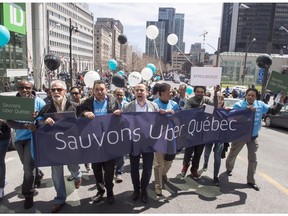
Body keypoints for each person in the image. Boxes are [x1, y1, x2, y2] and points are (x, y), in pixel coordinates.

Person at [226, 88, 285, 191]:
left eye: (253, 95)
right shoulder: (239, 105)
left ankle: (251, 180)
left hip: (253, 137)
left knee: (253, 160)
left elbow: (273, 111)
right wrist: (246, 110)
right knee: (232, 154)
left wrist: (280, 102)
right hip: (240, 136)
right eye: (249, 95)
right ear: (246, 95)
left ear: (256, 97)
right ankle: (228, 169)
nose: (250, 97)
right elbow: (233, 117)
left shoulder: (260, 105)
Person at [37, 80, 82, 213]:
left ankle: (77, 175)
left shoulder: (74, 106)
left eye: (59, 89)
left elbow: (83, 121)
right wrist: (43, 121)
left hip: (71, 145)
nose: (56, 92)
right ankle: (60, 199)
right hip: (54, 147)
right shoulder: (46, 108)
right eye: (53, 90)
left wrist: (86, 115)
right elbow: (38, 122)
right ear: (50, 92)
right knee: (57, 173)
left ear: (65, 91)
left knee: (73, 166)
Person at [114, 83, 159, 203]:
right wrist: (118, 114)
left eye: (142, 90)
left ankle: (144, 189)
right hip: (133, 143)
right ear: (134, 93)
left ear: (147, 92)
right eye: (137, 90)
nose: (139, 92)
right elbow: (121, 121)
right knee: (134, 169)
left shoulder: (154, 106)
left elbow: (159, 121)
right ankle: (136, 190)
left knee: (148, 169)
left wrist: (167, 113)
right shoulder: (128, 107)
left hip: (149, 143)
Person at [6, 80, 46, 209]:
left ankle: (28, 195)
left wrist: (36, 120)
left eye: (27, 88)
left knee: (27, 168)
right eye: (21, 88)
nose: (24, 90)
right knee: (27, 165)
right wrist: (25, 126)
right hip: (18, 140)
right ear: (18, 89)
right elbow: (10, 122)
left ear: (31, 88)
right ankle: (38, 174)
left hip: (33, 138)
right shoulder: (13, 103)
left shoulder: (39, 102)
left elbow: (46, 119)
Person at [78, 80, 119, 204]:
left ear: (106, 89)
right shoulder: (87, 102)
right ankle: (100, 192)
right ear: (93, 91)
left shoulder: (113, 101)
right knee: (97, 170)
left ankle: (110, 192)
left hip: (109, 142)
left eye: (102, 89)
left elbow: (120, 118)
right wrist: (85, 113)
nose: (100, 92)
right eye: (97, 90)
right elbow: (78, 115)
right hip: (93, 142)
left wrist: (119, 113)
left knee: (109, 170)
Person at [180, 85, 219, 179]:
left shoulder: (207, 100)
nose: (200, 94)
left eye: (202, 92)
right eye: (198, 92)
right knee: (189, 151)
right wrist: (200, 108)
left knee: (198, 153)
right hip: (191, 131)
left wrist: (215, 95)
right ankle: (185, 166)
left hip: (202, 132)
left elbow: (214, 110)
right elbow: (188, 112)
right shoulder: (190, 100)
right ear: (194, 92)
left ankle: (194, 169)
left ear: (204, 93)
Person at [153, 83, 180, 196]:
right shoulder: (154, 104)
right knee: (159, 163)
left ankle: (163, 174)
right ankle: (158, 185)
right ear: (161, 93)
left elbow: (179, 119)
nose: (171, 93)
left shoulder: (174, 104)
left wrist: (171, 114)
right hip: (158, 138)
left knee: (168, 162)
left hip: (171, 137)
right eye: (169, 91)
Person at [202, 94, 225, 186]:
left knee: (217, 157)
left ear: (223, 101)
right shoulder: (210, 109)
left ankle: (216, 176)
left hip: (220, 138)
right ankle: (205, 163)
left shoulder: (226, 111)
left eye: (221, 99)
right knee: (207, 152)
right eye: (217, 99)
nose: (219, 101)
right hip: (209, 136)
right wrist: (203, 107)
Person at [113, 88, 129, 183]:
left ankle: (119, 172)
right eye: (117, 94)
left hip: (124, 132)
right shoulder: (110, 104)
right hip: (112, 133)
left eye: (121, 95)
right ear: (114, 95)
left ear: (124, 95)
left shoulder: (128, 105)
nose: (119, 97)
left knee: (121, 154)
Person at [0, 119, 11, 199]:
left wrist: (3, 122)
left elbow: (12, 120)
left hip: (3, 137)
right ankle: (2, 178)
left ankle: (1, 187)